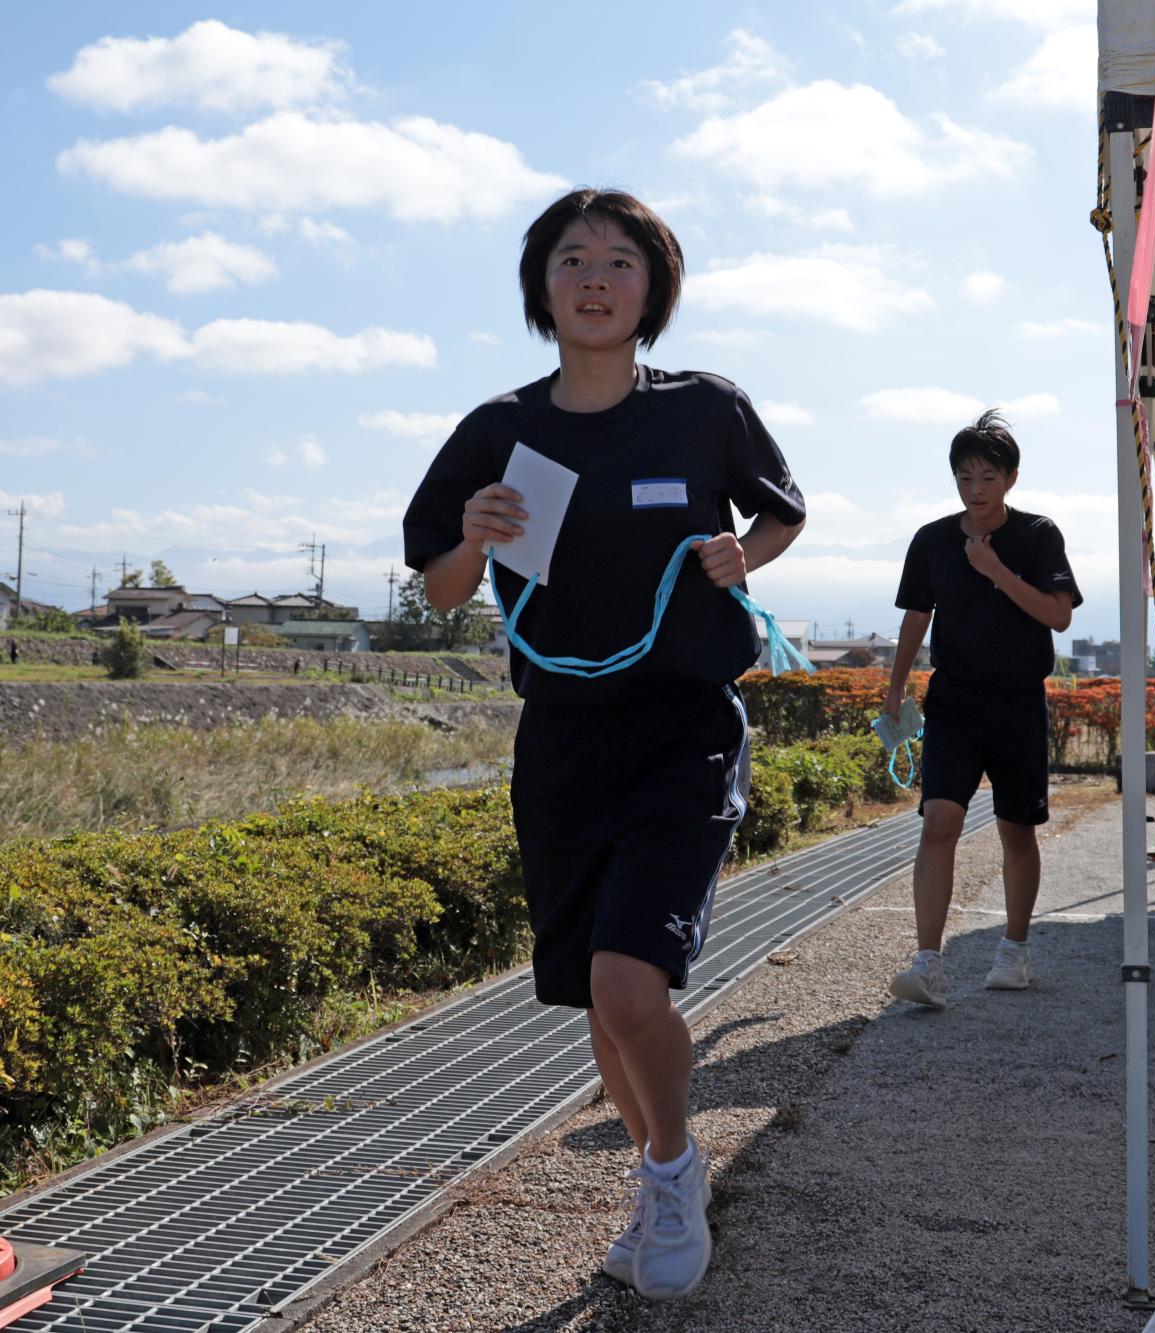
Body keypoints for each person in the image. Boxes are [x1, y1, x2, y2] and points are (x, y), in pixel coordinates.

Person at [402, 188, 805, 1300]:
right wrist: (471, 541)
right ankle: (659, 1171)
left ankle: (673, 1172)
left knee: (630, 987)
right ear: (542, 286)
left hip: (682, 729)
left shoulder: (704, 409)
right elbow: (438, 590)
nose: (593, 278)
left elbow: (779, 512)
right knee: (597, 995)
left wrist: (742, 560)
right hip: (563, 740)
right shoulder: (499, 430)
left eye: (618, 261)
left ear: (652, 287)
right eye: (571, 259)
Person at [884, 410, 1080, 1006]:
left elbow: (1058, 615)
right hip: (954, 700)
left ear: (1011, 477)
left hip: (1018, 700)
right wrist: (895, 690)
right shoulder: (932, 539)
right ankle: (927, 963)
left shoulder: (1038, 533)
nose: (975, 489)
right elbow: (917, 616)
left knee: (1017, 830)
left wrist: (995, 570)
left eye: (987, 476)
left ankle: (1014, 950)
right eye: (965, 477)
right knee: (940, 819)